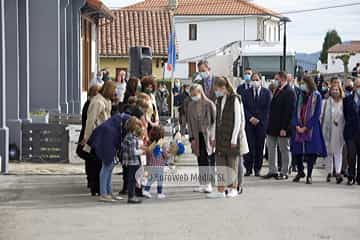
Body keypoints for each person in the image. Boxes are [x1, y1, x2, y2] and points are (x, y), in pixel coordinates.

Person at [207, 76, 248, 198]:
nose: (216, 91)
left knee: (232, 164)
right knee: (220, 164)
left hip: (231, 137)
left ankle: (233, 188)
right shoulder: (219, 100)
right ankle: (220, 190)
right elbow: (216, 121)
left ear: (223, 87)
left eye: (217, 89)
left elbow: (238, 120)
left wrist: (234, 138)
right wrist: (213, 136)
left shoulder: (235, 99)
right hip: (220, 136)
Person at [81, 81, 117, 195]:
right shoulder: (97, 102)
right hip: (97, 136)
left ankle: (104, 190)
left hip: (104, 136)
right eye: (113, 91)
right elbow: (90, 121)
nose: (115, 93)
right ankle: (99, 190)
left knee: (102, 163)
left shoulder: (105, 101)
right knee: (98, 164)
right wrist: (87, 138)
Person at [87, 112, 132, 202]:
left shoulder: (119, 121)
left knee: (109, 168)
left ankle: (109, 192)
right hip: (106, 140)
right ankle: (104, 194)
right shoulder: (115, 127)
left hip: (106, 139)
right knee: (107, 167)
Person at [291, 76, 327, 184]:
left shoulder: (317, 96)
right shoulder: (299, 95)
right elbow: (294, 111)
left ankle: (309, 175)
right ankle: (300, 171)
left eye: (303, 83)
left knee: (311, 152)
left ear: (309, 83)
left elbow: (317, 114)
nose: (302, 85)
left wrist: (306, 127)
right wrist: (297, 125)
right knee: (297, 151)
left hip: (311, 127)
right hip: (298, 126)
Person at [264, 71, 296, 180]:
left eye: (276, 79)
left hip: (283, 127)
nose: (275, 81)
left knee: (284, 149)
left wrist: (284, 128)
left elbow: (289, 112)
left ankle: (284, 171)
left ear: (282, 79)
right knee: (271, 148)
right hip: (272, 126)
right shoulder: (277, 90)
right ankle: (272, 170)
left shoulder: (289, 92)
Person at [187, 84, 216, 193]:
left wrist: (213, 137)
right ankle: (202, 183)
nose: (194, 96)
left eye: (195, 94)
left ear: (200, 92)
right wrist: (191, 138)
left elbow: (215, 122)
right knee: (200, 159)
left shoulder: (209, 104)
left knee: (208, 158)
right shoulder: (190, 106)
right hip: (197, 135)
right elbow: (189, 123)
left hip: (208, 135)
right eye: (192, 95)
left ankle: (209, 183)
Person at [242, 73, 271, 176]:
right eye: (253, 80)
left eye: (257, 79)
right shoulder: (245, 93)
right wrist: (250, 117)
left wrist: (259, 119)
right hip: (249, 124)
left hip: (261, 124)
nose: (255, 81)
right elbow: (243, 108)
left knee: (259, 146)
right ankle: (248, 168)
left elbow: (267, 109)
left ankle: (257, 168)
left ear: (260, 80)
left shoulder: (266, 93)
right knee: (249, 146)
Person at [76, 85, 100, 196]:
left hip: (87, 135)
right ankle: (93, 183)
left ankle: (91, 182)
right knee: (92, 160)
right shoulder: (91, 104)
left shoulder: (87, 104)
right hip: (90, 136)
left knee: (90, 161)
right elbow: (89, 122)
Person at [321, 84, 345, 183]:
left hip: (339, 130)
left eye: (337, 89)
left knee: (338, 152)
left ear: (340, 91)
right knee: (328, 152)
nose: (335, 91)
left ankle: (338, 173)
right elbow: (321, 115)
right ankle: (329, 172)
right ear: (330, 91)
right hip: (327, 130)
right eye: (333, 89)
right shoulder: (326, 102)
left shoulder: (343, 103)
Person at [121, 117, 146, 204]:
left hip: (133, 161)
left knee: (133, 179)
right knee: (132, 179)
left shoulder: (131, 136)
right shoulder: (130, 137)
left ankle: (132, 195)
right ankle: (131, 197)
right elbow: (133, 152)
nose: (139, 126)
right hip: (132, 161)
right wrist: (143, 151)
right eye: (137, 125)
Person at [142, 126, 169, 199]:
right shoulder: (163, 143)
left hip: (150, 163)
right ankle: (159, 192)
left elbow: (147, 152)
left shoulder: (148, 142)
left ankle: (146, 189)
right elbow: (165, 154)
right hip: (159, 164)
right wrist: (168, 156)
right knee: (160, 179)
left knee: (152, 178)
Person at [343, 78, 360, 185]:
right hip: (350, 132)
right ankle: (351, 176)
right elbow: (345, 115)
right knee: (351, 155)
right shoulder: (347, 99)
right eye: (357, 86)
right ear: (353, 87)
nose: (358, 88)